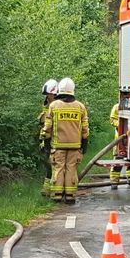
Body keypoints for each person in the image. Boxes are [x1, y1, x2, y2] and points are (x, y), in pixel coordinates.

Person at [42, 77, 89, 205]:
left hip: (58, 146)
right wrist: (84, 145)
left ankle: (57, 196)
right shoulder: (80, 107)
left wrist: (46, 143)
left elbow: (47, 128)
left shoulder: (54, 106)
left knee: (58, 169)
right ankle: (70, 196)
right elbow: (85, 129)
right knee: (71, 170)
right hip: (75, 146)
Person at [37, 79, 59, 196]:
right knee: (48, 164)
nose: (47, 97)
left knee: (54, 165)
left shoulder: (59, 105)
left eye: (48, 95)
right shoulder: (47, 104)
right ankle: (47, 190)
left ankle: (53, 191)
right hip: (46, 139)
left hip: (56, 139)